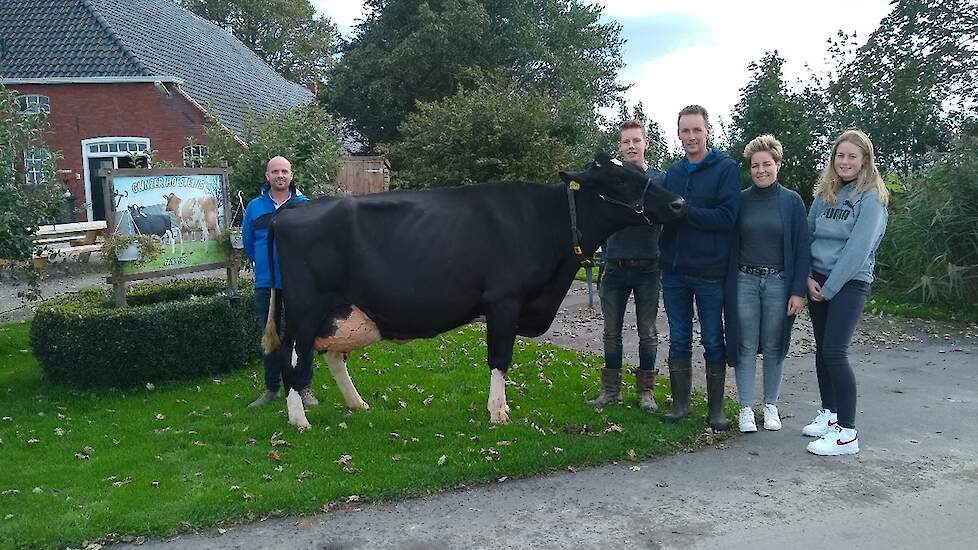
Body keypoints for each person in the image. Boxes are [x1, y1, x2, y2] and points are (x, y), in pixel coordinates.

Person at [803, 129, 889, 456]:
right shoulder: (826, 193)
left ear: (865, 160)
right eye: (841, 155)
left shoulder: (871, 199)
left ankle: (847, 433)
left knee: (835, 352)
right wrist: (808, 277)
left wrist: (830, 287)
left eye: (853, 156)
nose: (845, 161)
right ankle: (831, 414)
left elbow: (858, 248)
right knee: (822, 351)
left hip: (849, 284)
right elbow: (808, 235)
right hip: (818, 282)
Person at [659, 105, 741, 430]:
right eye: (685, 131)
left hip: (709, 271)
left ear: (708, 131)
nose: (691, 137)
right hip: (675, 271)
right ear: (678, 134)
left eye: (696, 130)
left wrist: (685, 211)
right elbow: (665, 213)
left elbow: (727, 218)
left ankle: (716, 411)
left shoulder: (726, 168)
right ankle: (680, 406)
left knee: (712, 339)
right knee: (678, 338)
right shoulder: (673, 173)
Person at [726, 135, 810, 433]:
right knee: (745, 344)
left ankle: (770, 405)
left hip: (778, 283)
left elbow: (802, 248)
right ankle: (746, 408)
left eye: (767, 164)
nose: (761, 170)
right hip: (745, 281)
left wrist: (798, 291)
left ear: (778, 165)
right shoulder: (740, 200)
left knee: (774, 345)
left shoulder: (791, 202)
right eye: (755, 165)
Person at [586, 119, 665, 412]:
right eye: (625, 142)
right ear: (620, 147)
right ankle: (610, 390)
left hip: (647, 266)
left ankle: (646, 392)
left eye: (636, 140)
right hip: (615, 265)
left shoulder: (659, 180)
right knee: (611, 331)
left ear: (646, 143)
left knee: (648, 331)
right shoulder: (612, 183)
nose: (631, 146)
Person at [243, 155, 317, 408]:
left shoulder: (304, 205)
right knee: (270, 337)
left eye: (284, 171)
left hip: (299, 284)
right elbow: (249, 245)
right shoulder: (254, 207)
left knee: (303, 337)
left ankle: (303, 388)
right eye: (275, 172)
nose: (280, 176)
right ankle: (271, 388)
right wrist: (266, 266)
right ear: (267, 176)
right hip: (267, 284)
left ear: (292, 174)